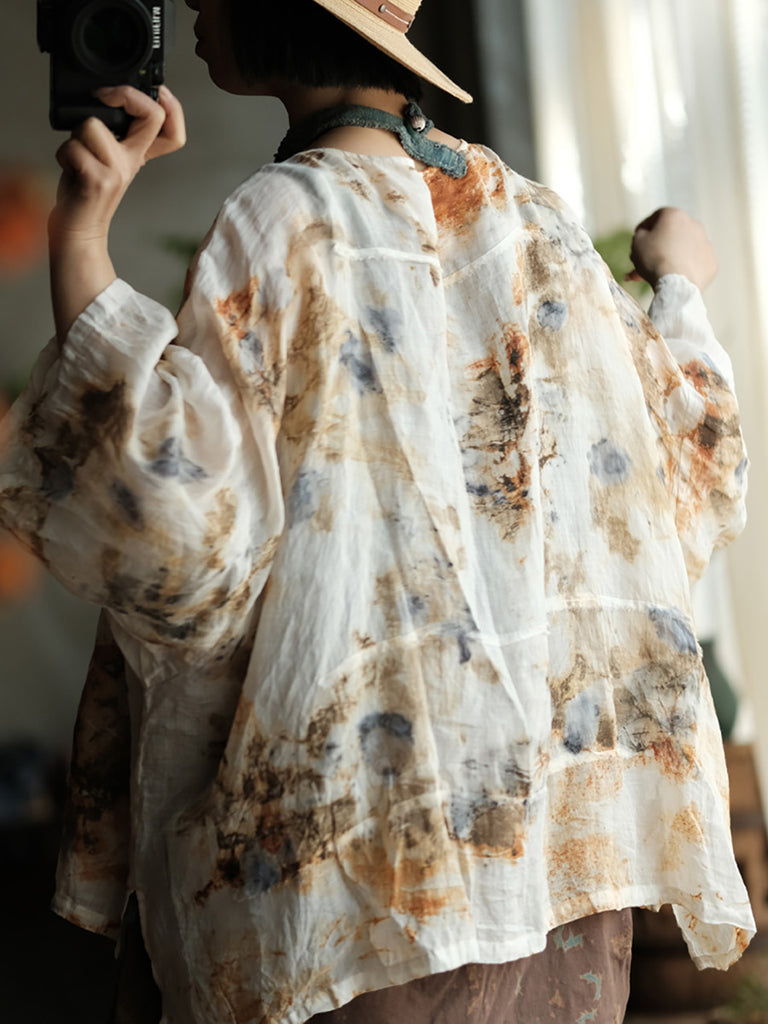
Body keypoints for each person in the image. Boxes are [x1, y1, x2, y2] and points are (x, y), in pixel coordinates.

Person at [0, 0, 754, 1021]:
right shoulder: (534, 221)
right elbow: (687, 474)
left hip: (357, 886)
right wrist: (682, 287)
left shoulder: (284, 218)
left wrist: (82, 234)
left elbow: (175, 539)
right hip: (553, 880)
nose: (197, 8)